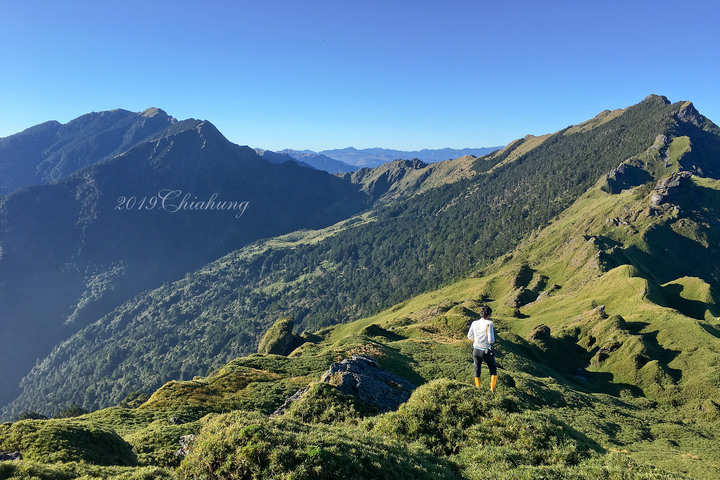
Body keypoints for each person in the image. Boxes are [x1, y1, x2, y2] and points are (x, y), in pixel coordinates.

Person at [467, 305, 497, 392]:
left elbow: (469, 336)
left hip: (476, 349)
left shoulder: (474, 323)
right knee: (492, 368)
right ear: (489, 315)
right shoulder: (489, 323)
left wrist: (477, 339)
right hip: (485, 350)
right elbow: (491, 340)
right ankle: (492, 389)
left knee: (477, 368)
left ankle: (478, 388)